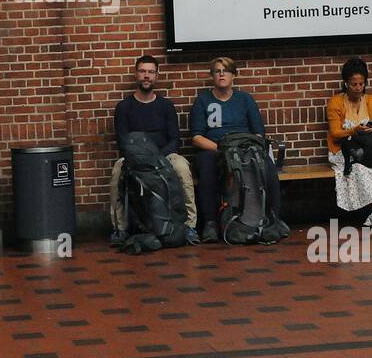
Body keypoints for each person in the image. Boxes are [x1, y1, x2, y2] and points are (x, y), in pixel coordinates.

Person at [188, 57, 283, 241]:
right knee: (206, 167)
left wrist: (239, 151)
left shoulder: (245, 99)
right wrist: (222, 149)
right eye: (217, 71)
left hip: (243, 149)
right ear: (212, 76)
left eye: (226, 71)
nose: (221, 74)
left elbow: (258, 134)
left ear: (234, 76)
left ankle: (274, 219)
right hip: (214, 150)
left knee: (267, 164)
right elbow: (197, 138)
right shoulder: (202, 100)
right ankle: (210, 223)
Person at [109, 55, 198, 245]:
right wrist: (141, 158)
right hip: (135, 158)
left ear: (157, 75)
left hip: (165, 155)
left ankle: (190, 226)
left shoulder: (166, 106)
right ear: (136, 74)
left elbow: (175, 139)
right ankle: (120, 229)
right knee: (118, 169)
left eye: (150, 72)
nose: (146, 76)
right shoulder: (124, 107)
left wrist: (159, 158)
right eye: (142, 71)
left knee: (182, 167)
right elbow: (122, 142)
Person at [327, 57, 372, 227]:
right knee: (358, 169)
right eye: (354, 84)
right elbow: (335, 133)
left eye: (361, 84)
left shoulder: (371, 101)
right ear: (345, 83)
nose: (358, 88)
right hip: (343, 151)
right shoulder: (336, 102)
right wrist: (353, 130)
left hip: (368, 149)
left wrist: (370, 129)